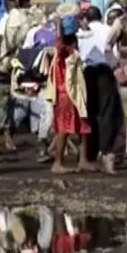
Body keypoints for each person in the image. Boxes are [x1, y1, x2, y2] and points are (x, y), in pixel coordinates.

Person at [48, 15, 94, 174]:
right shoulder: (63, 52)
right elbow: (59, 42)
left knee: (83, 127)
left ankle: (83, 160)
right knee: (64, 129)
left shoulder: (72, 52)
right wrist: (59, 25)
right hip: (65, 95)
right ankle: (57, 162)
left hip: (76, 94)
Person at [78, 6, 120, 174]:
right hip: (105, 71)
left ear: (87, 18)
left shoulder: (82, 33)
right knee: (106, 113)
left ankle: (90, 151)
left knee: (89, 112)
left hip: (86, 72)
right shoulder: (108, 30)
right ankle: (105, 150)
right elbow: (113, 53)